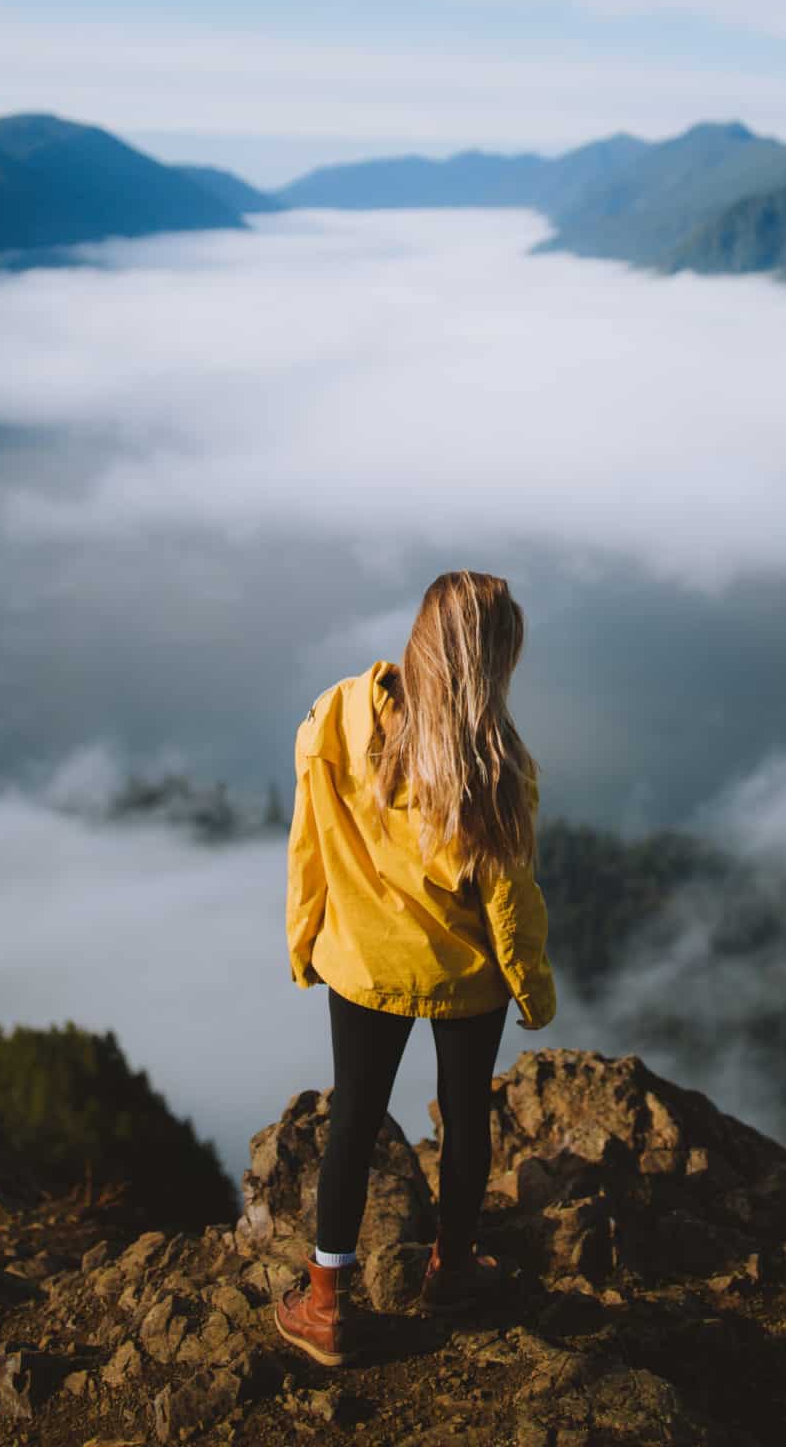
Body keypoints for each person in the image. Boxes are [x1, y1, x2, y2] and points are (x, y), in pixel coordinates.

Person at [275, 570, 556, 1368]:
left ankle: (326, 1306)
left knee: (354, 1121)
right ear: (493, 658)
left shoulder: (334, 715)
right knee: (465, 1116)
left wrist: (303, 938)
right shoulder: (496, 766)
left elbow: (309, 840)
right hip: (464, 974)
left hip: (361, 960)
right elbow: (510, 902)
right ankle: (453, 1271)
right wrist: (529, 987)